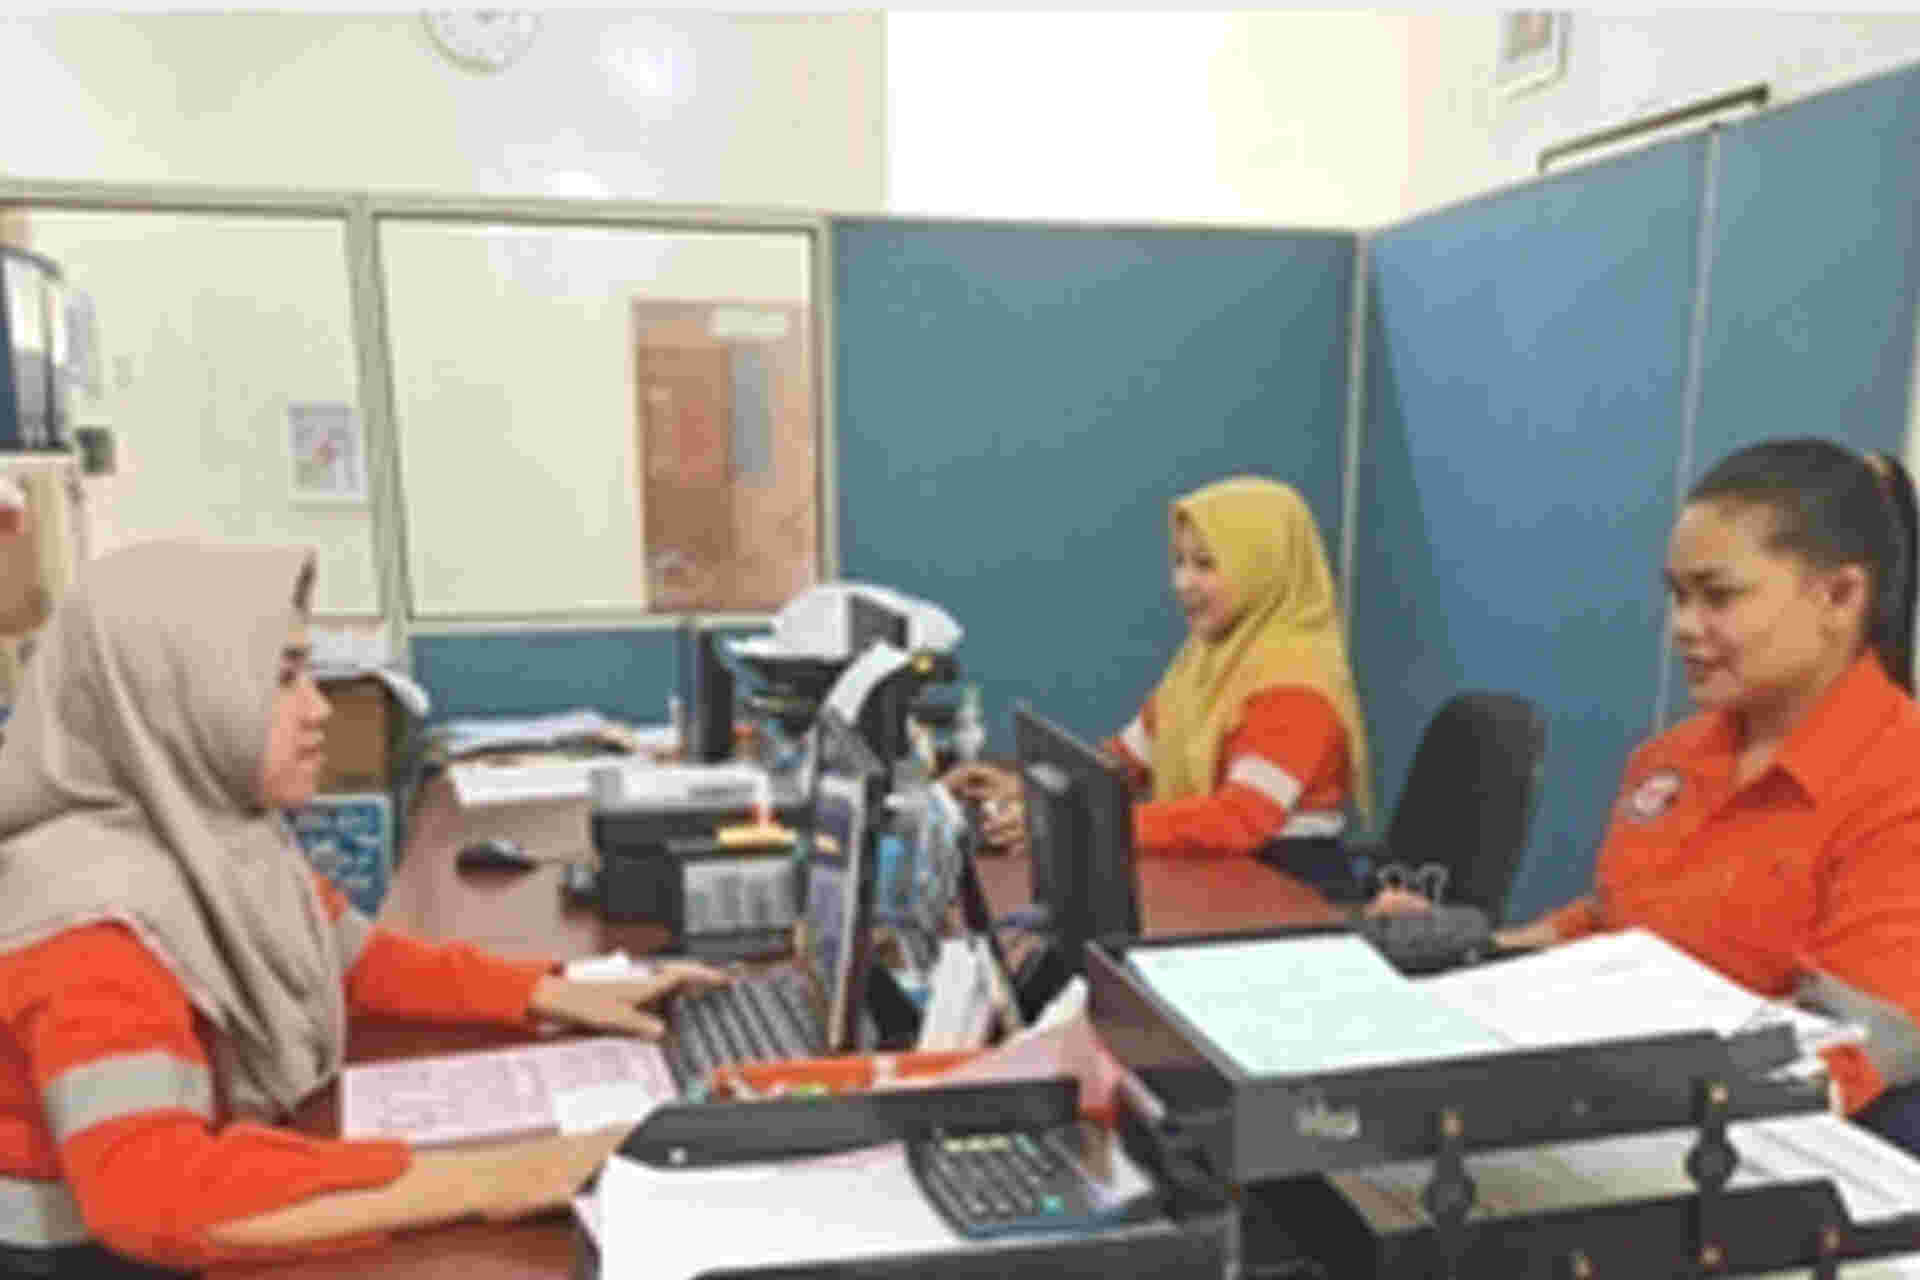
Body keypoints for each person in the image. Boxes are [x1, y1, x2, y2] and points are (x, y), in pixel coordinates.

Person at [0, 541, 726, 1276]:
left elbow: (351, 960)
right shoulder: (87, 919)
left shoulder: (214, 834)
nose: (318, 709)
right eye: (280, 679)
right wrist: (504, 1175)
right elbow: (151, 1192)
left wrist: (555, 992)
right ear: (168, 701)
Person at [1380, 439, 1920, 1151]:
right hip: (1627, 1111)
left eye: (1718, 596)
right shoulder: (1666, 763)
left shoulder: (1899, 778)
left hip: (1762, 1148)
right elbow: (1613, 921)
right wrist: (1476, 950)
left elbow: (1857, 1044)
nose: (1684, 628)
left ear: (1840, 596)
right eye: (1678, 595)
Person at [948, 475, 1373, 888]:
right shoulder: (1204, 661)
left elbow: (1238, 819)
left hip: (1286, 894)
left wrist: (1082, 825)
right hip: (1222, 882)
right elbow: (1122, 766)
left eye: (1205, 564)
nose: (1182, 583)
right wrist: (1033, 792)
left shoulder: (1296, 685)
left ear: (1262, 568)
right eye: (1179, 562)